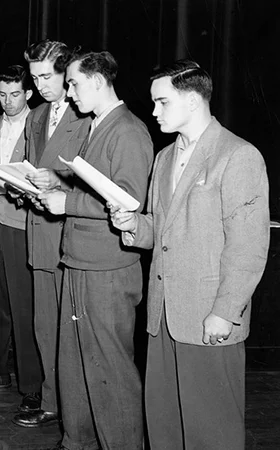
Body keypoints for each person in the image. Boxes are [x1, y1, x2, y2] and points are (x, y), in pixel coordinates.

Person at [110, 59, 270, 450]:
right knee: (164, 424)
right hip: (164, 314)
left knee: (212, 429)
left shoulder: (238, 155)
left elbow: (248, 246)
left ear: (194, 101)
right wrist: (132, 223)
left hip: (208, 315)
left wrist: (225, 311)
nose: (153, 111)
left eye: (162, 102)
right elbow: (159, 231)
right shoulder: (165, 157)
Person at [38, 49, 153, 450]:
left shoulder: (128, 131)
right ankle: (78, 441)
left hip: (106, 269)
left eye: (73, 83)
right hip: (80, 261)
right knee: (75, 367)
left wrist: (66, 204)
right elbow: (96, 191)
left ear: (99, 82)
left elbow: (130, 201)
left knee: (110, 369)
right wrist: (57, 190)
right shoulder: (98, 125)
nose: (68, 94)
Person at [12, 39, 91, 428]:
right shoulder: (36, 116)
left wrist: (55, 180)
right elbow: (31, 166)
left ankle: (77, 410)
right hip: (40, 234)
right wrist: (17, 181)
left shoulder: (89, 116)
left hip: (74, 235)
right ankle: (51, 400)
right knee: (45, 326)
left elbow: (98, 183)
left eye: (47, 76)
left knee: (72, 329)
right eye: (34, 77)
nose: (40, 85)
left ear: (67, 72)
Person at [0, 65, 43, 414]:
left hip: (23, 226)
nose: (8, 101)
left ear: (28, 93)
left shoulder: (40, 125)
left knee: (25, 308)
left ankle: (31, 385)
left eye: (15, 94)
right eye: (2, 94)